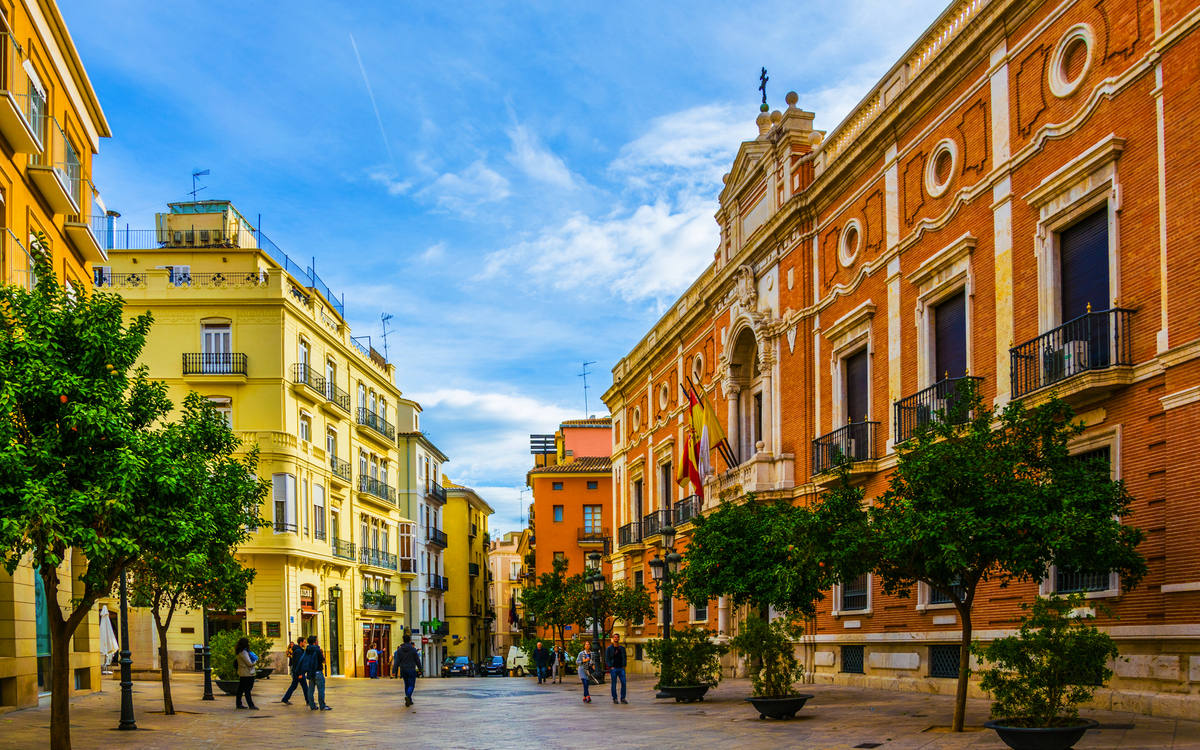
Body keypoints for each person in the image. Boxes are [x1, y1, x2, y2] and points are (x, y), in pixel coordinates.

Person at [303, 635, 331, 710]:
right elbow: (323, 660)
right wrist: (322, 654)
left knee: (310, 690)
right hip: (318, 672)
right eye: (317, 640)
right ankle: (322, 705)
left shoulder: (307, 650)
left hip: (310, 673)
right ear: (314, 642)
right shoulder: (317, 650)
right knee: (321, 690)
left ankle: (312, 705)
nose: (318, 641)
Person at [395, 634, 424, 706]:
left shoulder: (400, 650)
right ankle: (408, 696)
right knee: (411, 685)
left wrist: (394, 670)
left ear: (403, 640)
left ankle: (409, 700)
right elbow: (417, 660)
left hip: (403, 669)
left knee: (406, 684)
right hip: (411, 669)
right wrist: (420, 669)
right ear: (410, 640)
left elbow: (397, 661)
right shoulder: (413, 650)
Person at [280, 637, 310, 705]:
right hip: (298, 672)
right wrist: (299, 673)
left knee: (294, 686)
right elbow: (297, 662)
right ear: (301, 642)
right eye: (304, 642)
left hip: (296, 671)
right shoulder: (298, 651)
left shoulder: (298, 650)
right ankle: (309, 701)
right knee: (305, 687)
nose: (305, 643)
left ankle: (285, 699)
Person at [234, 637, 258, 710]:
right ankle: (251, 705)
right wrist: (255, 662)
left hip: (243, 673)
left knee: (241, 689)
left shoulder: (240, 651)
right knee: (248, 689)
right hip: (247, 673)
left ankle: (239, 703)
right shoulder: (244, 652)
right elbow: (249, 663)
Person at [607, 633, 627, 705]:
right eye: (615, 637)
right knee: (614, 684)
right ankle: (615, 698)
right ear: (613, 639)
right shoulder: (609, 649)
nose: (616, 638)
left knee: (624, 683)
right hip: (613, 668)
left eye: (617, 637)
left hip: (621, 668)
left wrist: (624, 665)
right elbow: (607, 658)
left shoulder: (622, 648)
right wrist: (610, 667)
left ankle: (623, 697)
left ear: (619, 639)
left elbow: (624, 657)